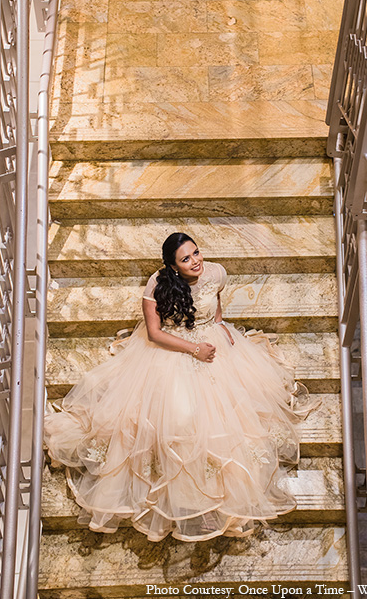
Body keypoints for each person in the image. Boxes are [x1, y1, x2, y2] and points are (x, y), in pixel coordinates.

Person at [44, 232, 319, 542]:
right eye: (186, 259)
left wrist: (221, 330)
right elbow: (154, 333)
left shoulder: (216, 272)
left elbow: (215, 308)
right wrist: (194, 350)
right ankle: (186, 497)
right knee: (180, 418)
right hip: (172, 348)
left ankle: (222, 493)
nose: (195, 261)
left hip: (211, 341)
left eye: (196, 253)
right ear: (173, 266)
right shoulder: (157, 284)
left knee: (233, 415)